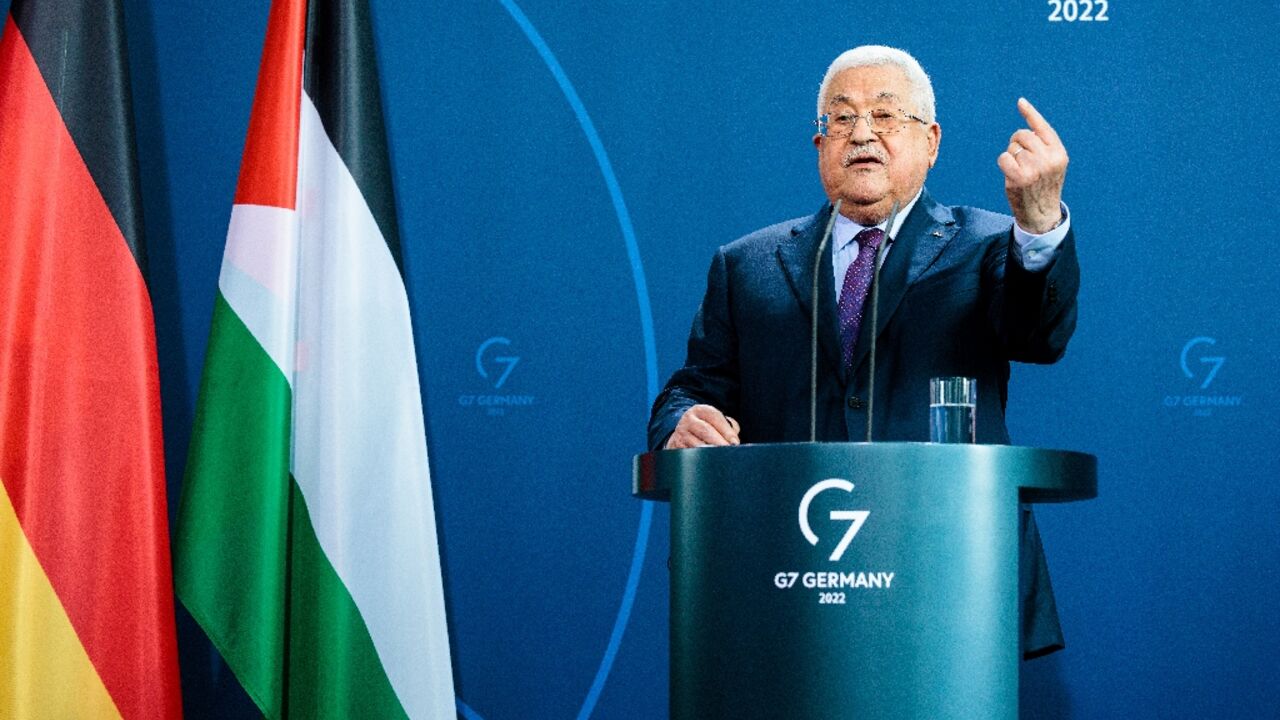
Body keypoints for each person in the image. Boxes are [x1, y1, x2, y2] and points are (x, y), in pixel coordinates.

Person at [647, 45, 1079, 658]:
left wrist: (1037, 232)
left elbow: (1039, 336)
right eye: (842, 118)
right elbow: (694, 387)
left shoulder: (986, 246)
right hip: (787, 584)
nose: (862, 135)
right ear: (819, 144)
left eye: (885, 115)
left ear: (930, 141)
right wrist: (680, 424)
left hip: (949, 584)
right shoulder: (747, 265)